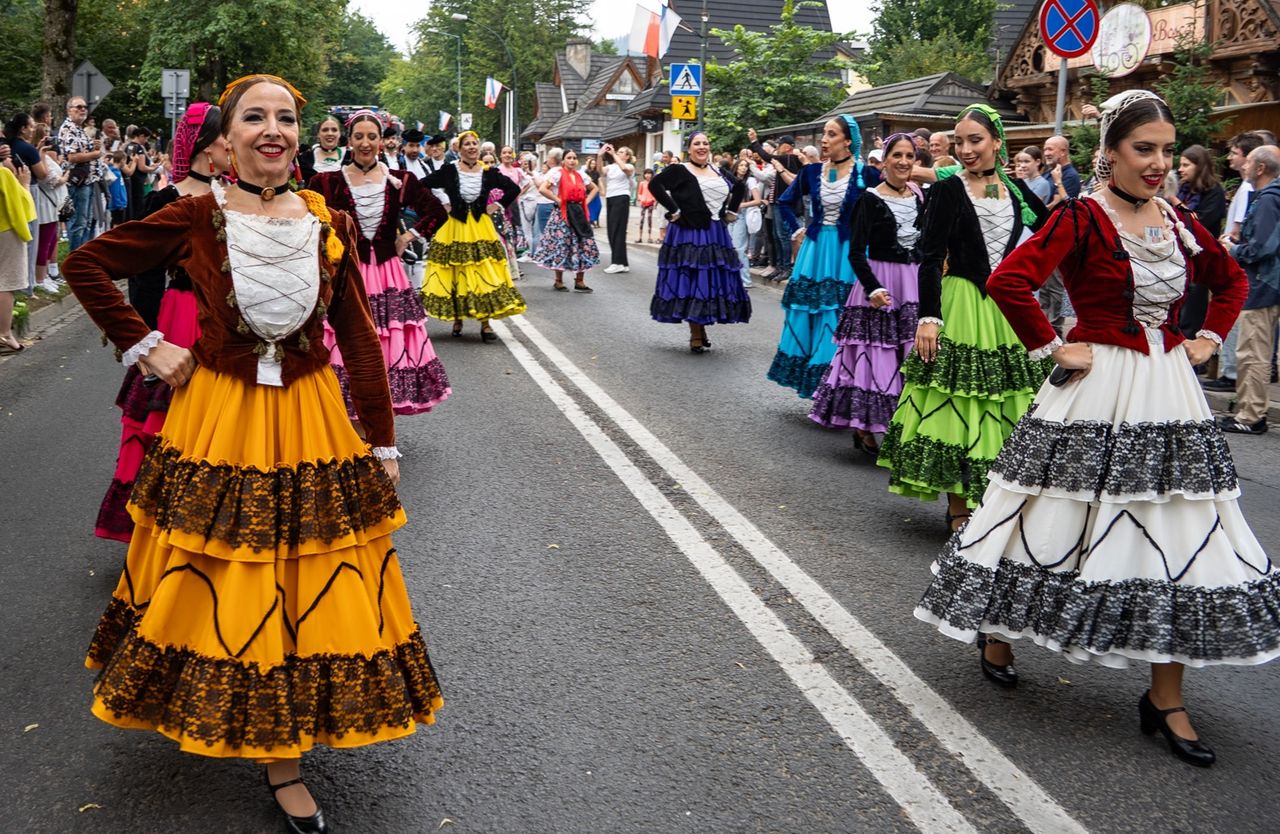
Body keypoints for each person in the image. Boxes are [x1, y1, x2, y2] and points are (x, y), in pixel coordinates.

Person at [62, 74, 444, 832]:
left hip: (310, 418)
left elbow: (360, 339)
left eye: (286, 118)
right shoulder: (195, 215)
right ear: (226, 141)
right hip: (219, 419)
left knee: (307, 574)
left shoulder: (326, 220)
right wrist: (146, 344)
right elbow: (86, 266)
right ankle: (213, 703)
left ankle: (284, 753)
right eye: (255, 118)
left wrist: (382, 440)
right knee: (221, 570)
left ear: (298, 136)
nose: (273, 129)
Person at [915, 91, 1276, 769]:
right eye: (1144, 149)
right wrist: (1054, 347)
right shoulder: (1080, 216)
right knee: (1050, 515)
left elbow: (1229, 282)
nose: (1158, 162)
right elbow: (1010, 281)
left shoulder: (1177, 221)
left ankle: (1165, 697)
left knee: (1181, 526)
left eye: (1166, 150)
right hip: (1097, 385)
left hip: (1168, 389)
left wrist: (1207, 337)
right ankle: (999, 627)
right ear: (1110, 152)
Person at [877, 104, 1051, 530]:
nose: (966, 149)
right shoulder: (948, 190)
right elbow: (930, 257)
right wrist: (929, 317)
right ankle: (959, 506)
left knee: (1007, 404)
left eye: (975, 140)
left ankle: (995, 500)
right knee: (957, 403)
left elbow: (1052, 235)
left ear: (996, 142)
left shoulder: (1018, 191)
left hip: (1007, 311)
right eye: (959, 142)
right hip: (961, 304)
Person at [93, 102, 232, 543]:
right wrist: (145, 341)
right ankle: (162, 525)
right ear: (207, 146)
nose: (234, 144)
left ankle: (213, 524)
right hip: (183, 317)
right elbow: (145, 276)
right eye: (227, 136)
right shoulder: (166, 199)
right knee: (169, 425)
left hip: (230, 323)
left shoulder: (240, 197)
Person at [310, 109, 451, 416]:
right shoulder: (326, 182)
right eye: (359, 137)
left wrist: (407, 237)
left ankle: (378, 421)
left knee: (386, 344)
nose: (365, 143)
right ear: (349, 141)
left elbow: (437, 212)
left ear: (381, 141)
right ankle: (348, 422)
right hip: (346, 275)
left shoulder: (400, 180)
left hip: (388, 274)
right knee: (346, 343)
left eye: (372, 137)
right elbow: (306, 219)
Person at [810, 133, 922, 452]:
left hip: (912, 284)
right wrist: (873, 287)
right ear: (884, 161)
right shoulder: (869, 199)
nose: (903, 162)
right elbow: (856, 252)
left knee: (910, 354)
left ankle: (904, 425)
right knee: (875, 357)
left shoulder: (919, 196)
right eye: (897, 155)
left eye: (909, 156)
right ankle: (864, 426)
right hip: (879, 282)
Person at [767, 116, 878, 397]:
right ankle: (819, 386)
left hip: (849, 253)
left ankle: (839, 384)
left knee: (840, 313)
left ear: (848, 141)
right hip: (815, 251)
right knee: (813, 312)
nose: (824, 140)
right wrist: (797, 230)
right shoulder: (811, 172)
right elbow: (784, 202)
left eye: (831, 134)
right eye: (824, 134)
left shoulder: (867, 174)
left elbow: (885, 206)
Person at [649, 131, 750, 352]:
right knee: (694, 279)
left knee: (710, 279)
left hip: (716, 232)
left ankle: (700, 326)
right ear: (689, 148)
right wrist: (674, 210)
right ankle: (696, 332)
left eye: (705, 143)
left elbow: (739, 187)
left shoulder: (718, 170)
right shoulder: (679, 170)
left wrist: (731, 211)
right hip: (689, 232)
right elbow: (655, 185)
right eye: (697, 143)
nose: (702, 147)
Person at [418, 130, 523, 341]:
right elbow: (421, 185)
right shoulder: (449, 170)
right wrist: (441, 205)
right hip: (454, 227)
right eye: (467, 144)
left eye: (475, 143)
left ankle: (485, 323)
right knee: (455, 272)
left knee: (482, 272)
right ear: (459, 148)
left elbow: (513, 188)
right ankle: (458, 318)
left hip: (480, 227)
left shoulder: (489, 171)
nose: (472, 147)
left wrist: (498, 205)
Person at [1202, 131, 1272, 391]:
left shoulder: (1260, 194)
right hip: (1250, 269)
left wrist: (1232, 246)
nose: (1230, 157)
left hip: (1252, 273)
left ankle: (1233, 378)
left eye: (1236, 153)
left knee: (1251, 341)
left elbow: (1252, 238)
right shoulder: (1250, 188)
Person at [1219, 145, 1280, 435]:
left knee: (1253, 352)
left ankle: (1250, 416)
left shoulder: (1269, 199)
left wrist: (1233, 249)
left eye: (1249, 161)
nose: (1243, 165)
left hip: (1264, 284)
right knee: (1257, 351)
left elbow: (1262, 248)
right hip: (1270, 283)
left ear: (1261, 168)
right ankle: (1251, 413)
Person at [1170, 144, 1228, 344]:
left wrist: (1174, 201)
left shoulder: (1214, 193)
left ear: (1199, 166)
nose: (1180, 169)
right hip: (1179, 259)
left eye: (1186, 165)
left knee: (1192, 312)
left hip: (1201, 261)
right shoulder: (1183, 189)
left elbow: (1197, 222)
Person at [535, 148, 600, 292]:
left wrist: (586, 201)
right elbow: (543, 189)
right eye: (569, 158)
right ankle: (558, 281)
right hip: (563, 214)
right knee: (562, 245)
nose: (572, 160)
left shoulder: (581, 175)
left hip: (578, 212)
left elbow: (595, 188)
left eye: (574, 158)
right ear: (563, 160)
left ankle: (580, 281)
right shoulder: (558, 174)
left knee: (583, 243)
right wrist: (558, 200)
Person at [747, 128, 804, 283]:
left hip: (785, 203)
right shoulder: (787, 158)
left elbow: (766, 156)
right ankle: (780, 266)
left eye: (780, 144)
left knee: (783, 236)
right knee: (777, 235)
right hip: (779, 202)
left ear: (788, 146)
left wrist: (754, 141)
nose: (777, 147)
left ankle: (785, 267)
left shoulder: (789, 158)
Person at [57, 96, 101, 250]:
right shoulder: (68, 128)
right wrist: (94, 154)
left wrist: (92, 146)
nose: (83, 110)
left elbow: (80, 151)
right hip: (77, 183)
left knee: (86, 223)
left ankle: (82, 256)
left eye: (84, 107)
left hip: (87, 181)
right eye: (78, 107)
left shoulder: (79, 128)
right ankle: (75, 257)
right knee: (78, 224)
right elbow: (72, 156)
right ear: (69, 110)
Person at [0, 158, 34, 353]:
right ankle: (4, 334)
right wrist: (24, 184)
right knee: (6, 282)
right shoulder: (3, 174)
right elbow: (21, 205)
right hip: (5, 230)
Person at [33, 125, 70, 287]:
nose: (49, 138)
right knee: (45, 241)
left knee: (52, 239)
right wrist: (65, 177)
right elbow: (49, 179)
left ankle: (46, 274)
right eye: (46, 135)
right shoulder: (39, 155)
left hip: (53, 204)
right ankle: (41, 278)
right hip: (45, 205)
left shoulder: (45, 156)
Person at [598, 143, 634, 273]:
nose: (618, 153)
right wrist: (600, 155)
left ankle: (617, 262)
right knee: (612, 230)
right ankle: (623, 262)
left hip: (621, 197)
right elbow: (600, 171)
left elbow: (625, 169)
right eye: (618, 151)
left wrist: (613, 154)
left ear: (627, 156)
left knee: (618, 229)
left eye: (621, 152)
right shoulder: (611, 167)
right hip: (611, 197)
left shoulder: (629, 166)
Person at [728, 158, 764, 288]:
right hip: (728, 214)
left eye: (746, 166)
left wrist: (741, 205)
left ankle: (746, 280)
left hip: (741, 215)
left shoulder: (750, 180)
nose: (743, 168)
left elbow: (758, 200)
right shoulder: (729, 179)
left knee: (739, 248)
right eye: (741, 165)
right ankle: (732, 278)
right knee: (729, 247)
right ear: (736, 166)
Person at [530, 148, 561, 257]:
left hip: (545, 202)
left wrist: (532, 175)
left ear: (552, 159)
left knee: (544, 232)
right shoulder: (563, 170)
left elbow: (541, 186)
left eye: (548, 157)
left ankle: (547, 254)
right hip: (557, 204)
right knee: (556, 231)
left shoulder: (552, 172)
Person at [297, 115, 344, 184]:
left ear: (339, 133)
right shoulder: (304, 158)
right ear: (318, 134)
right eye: (325, 130)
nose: (330, 133)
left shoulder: (350, 158)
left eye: (334, 130)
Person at [635, 168, 656, 243]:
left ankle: (649, 237)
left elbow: (655, 193)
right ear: (644, 175)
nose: (647, 175)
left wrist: (654, 201)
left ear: (652, 174)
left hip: (650, 203)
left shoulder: (654, 183)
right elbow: (639, 193)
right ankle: (640, 237)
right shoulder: (642, 183)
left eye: (649, 173)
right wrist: (640, 198)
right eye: (646, 173)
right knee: (641, 220)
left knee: (649, 219)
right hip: (643, 203)